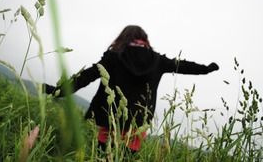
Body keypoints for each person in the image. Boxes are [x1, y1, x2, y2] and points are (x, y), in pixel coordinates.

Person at [44, 25, 219, 153]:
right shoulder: (157, 60)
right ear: (145, 40)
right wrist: (206, 69)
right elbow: (183, 66)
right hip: (137, 124)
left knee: (100, 154)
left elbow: (85, 77)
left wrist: (56, 91)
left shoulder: (114, 57)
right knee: (127, 156)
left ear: (124, 38)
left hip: (107, 118)